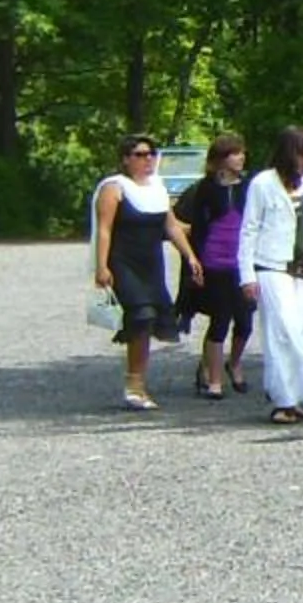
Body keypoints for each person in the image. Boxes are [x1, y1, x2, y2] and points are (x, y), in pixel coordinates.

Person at [91, 135, 200, 412]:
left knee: (150, 320)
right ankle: (134, 384)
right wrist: (101, 266)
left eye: (151, 154)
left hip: (151, 262)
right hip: (122, 261)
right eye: (140, 154)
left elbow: (172, 226)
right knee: (141, 315)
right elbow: (104, 228)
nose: (147, 159)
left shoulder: (157, 189)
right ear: (126, 159)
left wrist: (190, 256)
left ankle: (138, 382)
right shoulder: (114, 189)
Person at [241, 125, 303, 425]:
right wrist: (247, 275)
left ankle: (294, 396)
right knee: (282, 332)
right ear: (292, 153)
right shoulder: (262, 184)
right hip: (271, 267)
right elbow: (249, 230)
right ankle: (283, 401)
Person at [177, 133, 256, 399]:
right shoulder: (204, 189)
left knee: (245, 322)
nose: (241, 157)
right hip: (215, 263)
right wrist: (194, 264)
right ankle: (213, 379)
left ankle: (233, 362)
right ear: (220, 159)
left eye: (242, 152)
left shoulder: (250, 187)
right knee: (220, 320)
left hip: (243, 262)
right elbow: (193, 226)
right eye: (234, 153)